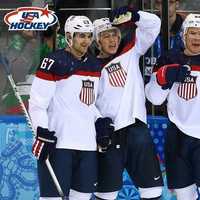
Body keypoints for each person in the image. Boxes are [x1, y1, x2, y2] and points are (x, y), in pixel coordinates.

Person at [29, 15, 108, 200]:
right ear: (69, 36)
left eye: (89, 36)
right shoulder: (53, 62)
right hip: (59, 144)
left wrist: (100, 121)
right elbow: (37, 104)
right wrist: (42, 131)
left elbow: (87, 104)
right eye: (81, 36)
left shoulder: (95, 65)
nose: (86, 41)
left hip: (87, 146)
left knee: (82, 197)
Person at [93, 6, 163, 200]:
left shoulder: (131, 50)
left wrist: (136, 15)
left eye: (114, 34)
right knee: (106, 194)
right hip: (109, 133)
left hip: (137, 129)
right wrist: (98, 121)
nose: (113, 39)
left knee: (153, 191)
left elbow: (154, 25)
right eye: (106, 36)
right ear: (97, 41)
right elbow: (87, 104)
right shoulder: (90, 67)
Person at [145, 13, 200, 200]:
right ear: (184, 35)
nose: (197, 37)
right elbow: (154, 98)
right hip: (178, 137)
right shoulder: (169, 58)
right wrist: (164, 77)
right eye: (193, 32)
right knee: (185, 195)